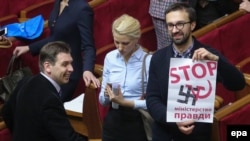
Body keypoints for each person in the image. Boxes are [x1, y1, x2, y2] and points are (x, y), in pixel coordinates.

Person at [146, 3, 245, 141]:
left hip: (196, 135)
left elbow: (238, 84)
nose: (175, 30)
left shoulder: (209, 55)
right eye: (170, 25)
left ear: (192, 25)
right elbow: (152, 99)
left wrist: (218, 61)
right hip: (165, 133)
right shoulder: (158, 58)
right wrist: (174, 119)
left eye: (180, 24)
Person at [12, 0, 100, 102]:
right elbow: (55, 37)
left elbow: (88, 45)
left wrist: (88, 70)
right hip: (54, 68)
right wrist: (29, 48)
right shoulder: (58, 2)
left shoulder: (82, 8)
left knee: (50, 106)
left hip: (69, 72)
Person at [2, 41, 86, 141]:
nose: (71, 69)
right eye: (65, 64)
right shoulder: (49, 99)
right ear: (48, 67)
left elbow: (6, 112)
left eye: (71, 63)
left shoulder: (25, 81)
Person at [99, 14, 152, 141]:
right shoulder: (110, 58)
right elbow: (102, 101)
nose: (120, 48)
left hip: (137, 121)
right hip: (113, 120)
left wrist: (126, 102)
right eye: (116, 42)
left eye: (125, 43)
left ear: (137, 38)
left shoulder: (149, 61)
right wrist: (107, 94)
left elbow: (154, 104)